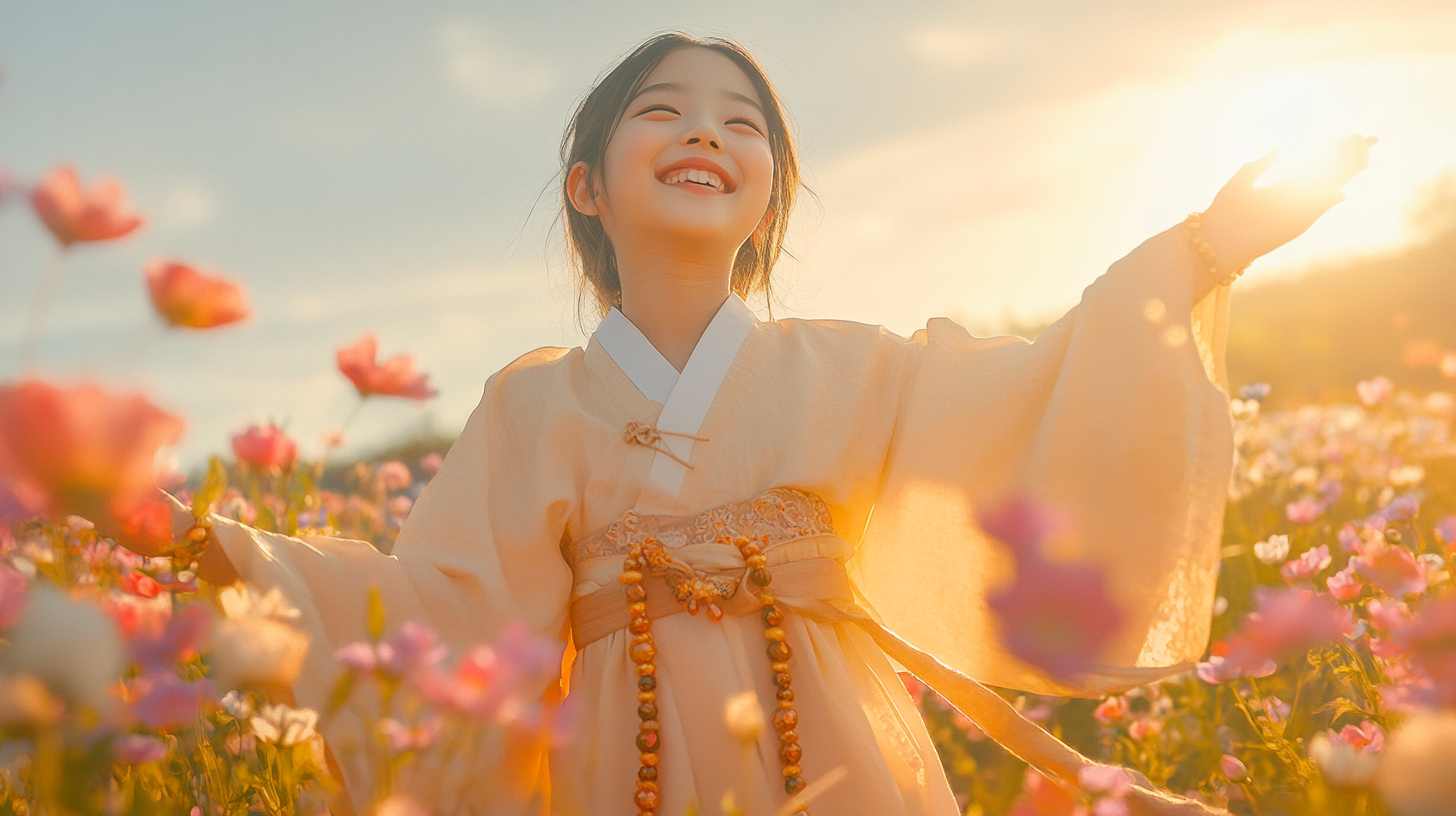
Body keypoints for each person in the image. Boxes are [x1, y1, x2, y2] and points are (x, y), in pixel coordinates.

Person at [160, 32, 1374, 816]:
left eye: (743, 123)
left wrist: (1209, 248)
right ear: (587, 186)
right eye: (663, 111)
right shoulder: (527, 406)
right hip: (616, 774)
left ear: (769, 198)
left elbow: (1042, 392)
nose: (705, 132)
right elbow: (442, 608)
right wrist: (214, 546)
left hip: (843, 757)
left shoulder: (858, 368)